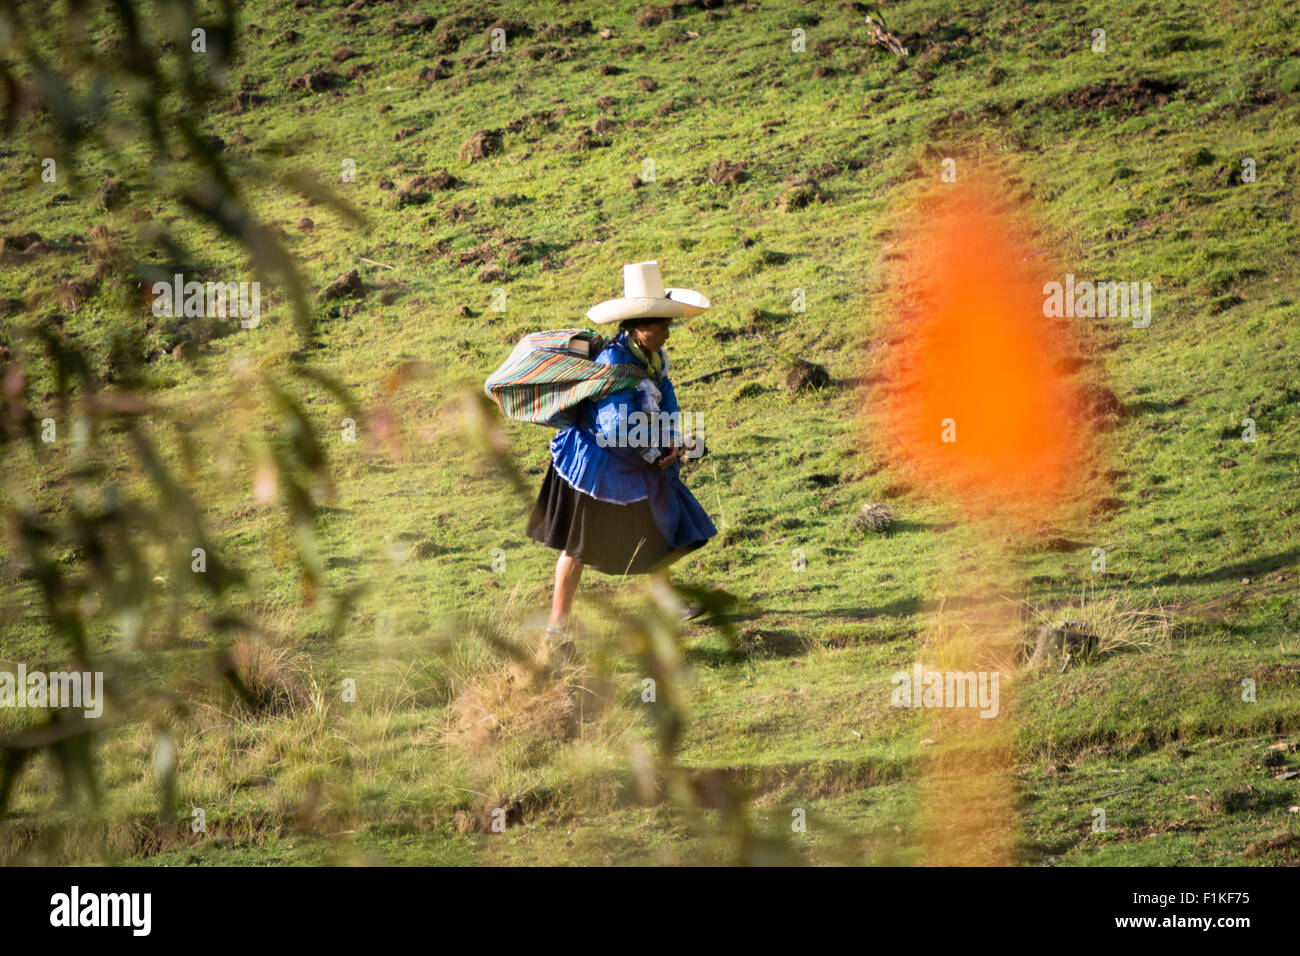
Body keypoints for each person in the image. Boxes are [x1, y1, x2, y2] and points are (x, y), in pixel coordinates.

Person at [526, 261, 717, 655]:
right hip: (597, 467)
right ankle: (557, 627)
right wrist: (654, 451)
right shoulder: (614, 365)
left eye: (667, 324)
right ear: (636, 326)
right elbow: (613, 429)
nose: (666, 332)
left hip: (632, 458)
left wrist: (673, 438)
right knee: (576, 547)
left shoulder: (652, 358)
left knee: (656, 531)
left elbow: (666, 396)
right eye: (659, 325)